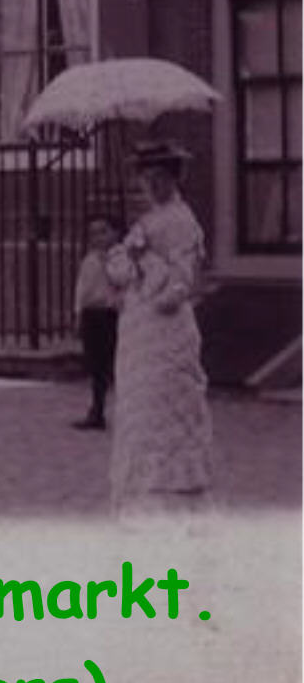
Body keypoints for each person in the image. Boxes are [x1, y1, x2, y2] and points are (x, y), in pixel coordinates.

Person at [106, 141, 214, 512]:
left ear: (172, 178)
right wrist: (129, 257)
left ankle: (171, 494)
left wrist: (147, 259)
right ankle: (139, 489)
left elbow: (177, 290)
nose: (150, 187)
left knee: (165, 406)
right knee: (138, 408)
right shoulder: (146, 222)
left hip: (165, 335)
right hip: (137, 334)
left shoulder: (183, 223)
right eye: (145, 179)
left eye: (158, 178)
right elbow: (118, 272)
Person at [71, 211, 121, 431]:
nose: (98, 238)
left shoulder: (120, 258)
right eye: (93, 233)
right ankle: (96, 410)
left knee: (114, 363)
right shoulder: (89, 260)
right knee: (95, 364)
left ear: (116, 233)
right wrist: (78, 314)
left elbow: (122, 283)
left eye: (104, 232)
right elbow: (81, 289)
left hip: (110, 314)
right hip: (92, 314)